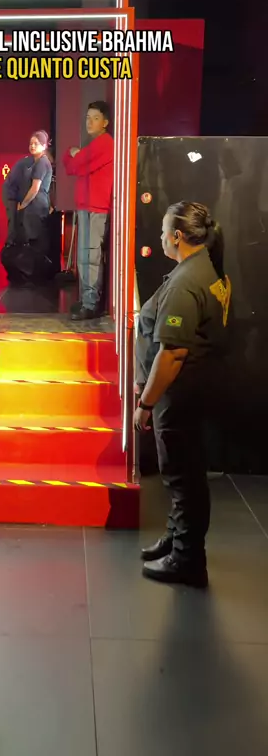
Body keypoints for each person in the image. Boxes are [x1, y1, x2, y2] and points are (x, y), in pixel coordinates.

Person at [134, 201, 231, 588]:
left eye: (163, 231)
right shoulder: (203, 267)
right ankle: (177, 539)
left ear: (177, 237)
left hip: (179, 396)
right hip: (192, 391)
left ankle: (187, 560)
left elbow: (172, 353)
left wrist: (145, 403)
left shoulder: (186, 283)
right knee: (186, 474)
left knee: (182, 478)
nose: (159, 237)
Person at [63, 101, 114, 321]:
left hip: (97, 207)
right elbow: (70, 164)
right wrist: (72, 154)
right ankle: (86, 300)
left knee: (90, 256)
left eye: (95, 118)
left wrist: (75, 154)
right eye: (88, 117)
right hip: (87, 206)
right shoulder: (94, 144)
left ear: (105, 122)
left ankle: (91, 303)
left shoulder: (105, 143)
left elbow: (75, 165)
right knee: (84, 257)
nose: (90, 122)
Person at [18, 130, 52, 256]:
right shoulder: (38, 162)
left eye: (36, 143)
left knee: (35, 243)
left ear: (44, 146)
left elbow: (35, 188)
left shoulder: (42, 163)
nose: (32, 146)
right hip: (36, 206)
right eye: (31, 143)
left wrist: (23, 204)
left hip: (36, 206)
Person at [2, 155, 34, 246]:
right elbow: (23, 186)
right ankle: (13, 242)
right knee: (15, 219)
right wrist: (24, 201)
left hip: (11, 195)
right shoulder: (25, 169)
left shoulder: (21, 167)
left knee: (17, 219)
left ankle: (17, 241)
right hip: (12, 196)